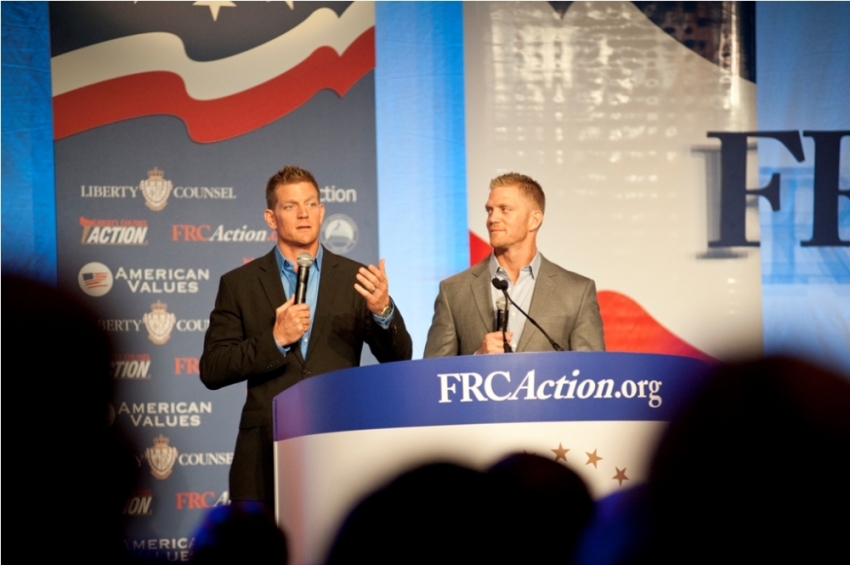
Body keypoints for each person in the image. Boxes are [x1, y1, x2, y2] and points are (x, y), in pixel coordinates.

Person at [200, 165, 412, 508]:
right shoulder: (239, 284)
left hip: (338, 438)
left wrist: (382, 311)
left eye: (311, 204)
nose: (303, 214)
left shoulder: (356, 278)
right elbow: (213, 368)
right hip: (264, 449)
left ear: (322, 211)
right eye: (291, 206)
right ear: (271, 218)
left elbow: (399, 357)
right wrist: (274, 339)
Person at [424, 172, 604, 356]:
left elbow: (592, 370)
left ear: (534, 220)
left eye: (504, 209)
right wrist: (478, 357)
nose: (492, 218)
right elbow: (434, 370)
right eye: (489, 210)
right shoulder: (453, 291)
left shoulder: (576, 292)